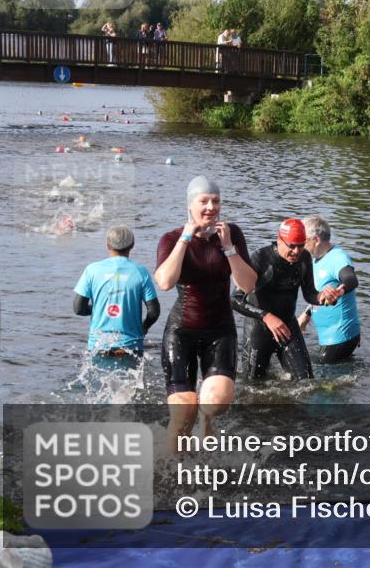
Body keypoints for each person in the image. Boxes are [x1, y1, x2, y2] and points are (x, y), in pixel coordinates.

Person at [155, 176, 256, 453]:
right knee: (184, 412)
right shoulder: (172, 238)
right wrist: (186, 240)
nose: (211, 207)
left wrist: (229, 249)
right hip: (181, 332)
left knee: (215, 403)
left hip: (219, 330)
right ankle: (174, 471)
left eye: (216, 201)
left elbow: (248, 285)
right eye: (204, 201)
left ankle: (207, 422)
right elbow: (164, 282)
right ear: (190, 205)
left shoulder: (231, 233)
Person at [233, 219, 323, 380]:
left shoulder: (304, 258)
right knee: (252, 387)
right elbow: (235, 299)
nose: (297, 251)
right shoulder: (261, 258)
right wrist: (266, 317)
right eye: (292, 246)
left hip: (288, 327)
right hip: (258, 330)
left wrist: (322, 297)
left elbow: (309, 294)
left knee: (306, 382)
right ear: (279, 240)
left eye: (301, 245)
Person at [73, 225, 160, 366]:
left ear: (108, 245)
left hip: (99, 345)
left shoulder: (92, 270)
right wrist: (144, 326)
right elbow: (154, 312)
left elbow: (78, 308)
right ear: (132, 245)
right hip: (131, 347)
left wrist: (97, 308)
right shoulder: (140, 272)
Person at [296, 216, 361, 364]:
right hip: (329, 335)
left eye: (302, 241)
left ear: (316, 239)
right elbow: (319, 291)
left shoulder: (338, 257)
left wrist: (339, 291)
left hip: (341, 336)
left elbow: (351, 279)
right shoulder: (313, 259)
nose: (298, 246)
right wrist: (306, 315)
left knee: (319, 379)